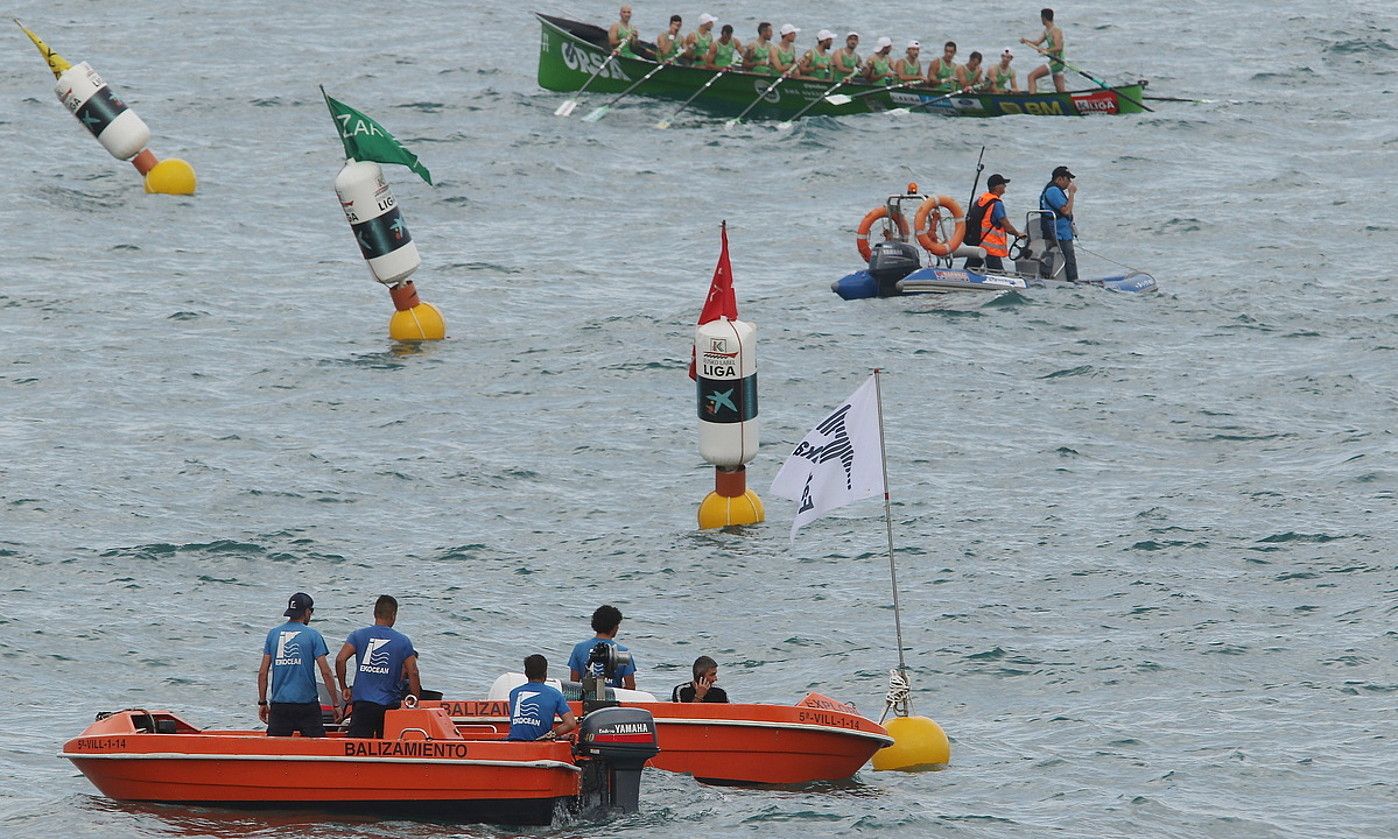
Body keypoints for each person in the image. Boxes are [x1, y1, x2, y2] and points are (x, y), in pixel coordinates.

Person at [335, 594, 421, 738]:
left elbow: (340, 660)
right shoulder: (403, 641)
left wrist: (344, 687)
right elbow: (413, 672)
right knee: (388, 748)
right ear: (393, 615)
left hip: (363, 704)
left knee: (357, 748)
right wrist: (415, 700)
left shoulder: (358, 635)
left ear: (375, 613)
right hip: (388, 706)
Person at [257, 592, 338, 737]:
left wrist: (262, 703)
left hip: (280, 706)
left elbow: (263, 673)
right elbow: (326, 672)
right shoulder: (313, 635)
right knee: (317, 751)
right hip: (307, 706)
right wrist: (336, 704)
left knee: (276, 752)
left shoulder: (273, 634)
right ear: (307, 612)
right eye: (311, 611)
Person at [508, 655, 578, 741]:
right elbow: (570, 723)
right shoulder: (554, 694)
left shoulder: (514, 693)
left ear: (526, 673)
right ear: (545, 673)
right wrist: (551, 734)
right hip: (540, 745)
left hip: (513, 744)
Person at [964, 174, 1025, 272]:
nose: (1005, 186)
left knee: (968, 271)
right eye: (1003, 184)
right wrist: (1018, 234)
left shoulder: (981, 200)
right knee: (999, 276)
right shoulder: (997, 204)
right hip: (990, 249)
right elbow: (1007, 227)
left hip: (977, 244)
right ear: (996, 187)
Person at [568, 604, 637, 690]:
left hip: (586, 699)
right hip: (614, 699)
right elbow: (631, 687)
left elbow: (574, 684)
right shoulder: (623, 652)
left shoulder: (579, 648)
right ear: (615, 627)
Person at [1039, 165, 1079, 280]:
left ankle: (1056, 277)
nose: (1069, 183)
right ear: (1060, 179)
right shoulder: (1053, 191)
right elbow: (1066, 211)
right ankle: (1072, 281)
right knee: (1069, 259)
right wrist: (1071, 193)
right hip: (1058, 233)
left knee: (1065, 258)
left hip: (1061, 231)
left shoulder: (1055, 190)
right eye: (1068, 179)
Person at [1021, 8, 1066, 93]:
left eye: (1041, 17)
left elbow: (1059, 47)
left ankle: (1032, 101)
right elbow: (1037, 43)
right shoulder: (1046, 31)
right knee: (1061, 92)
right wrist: (1026, 41)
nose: (1041, 19)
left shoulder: (1056, 30)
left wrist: (1046, 50)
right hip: (1054, 61)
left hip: (1057, 62)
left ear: (1044, 18)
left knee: (1031, 76)